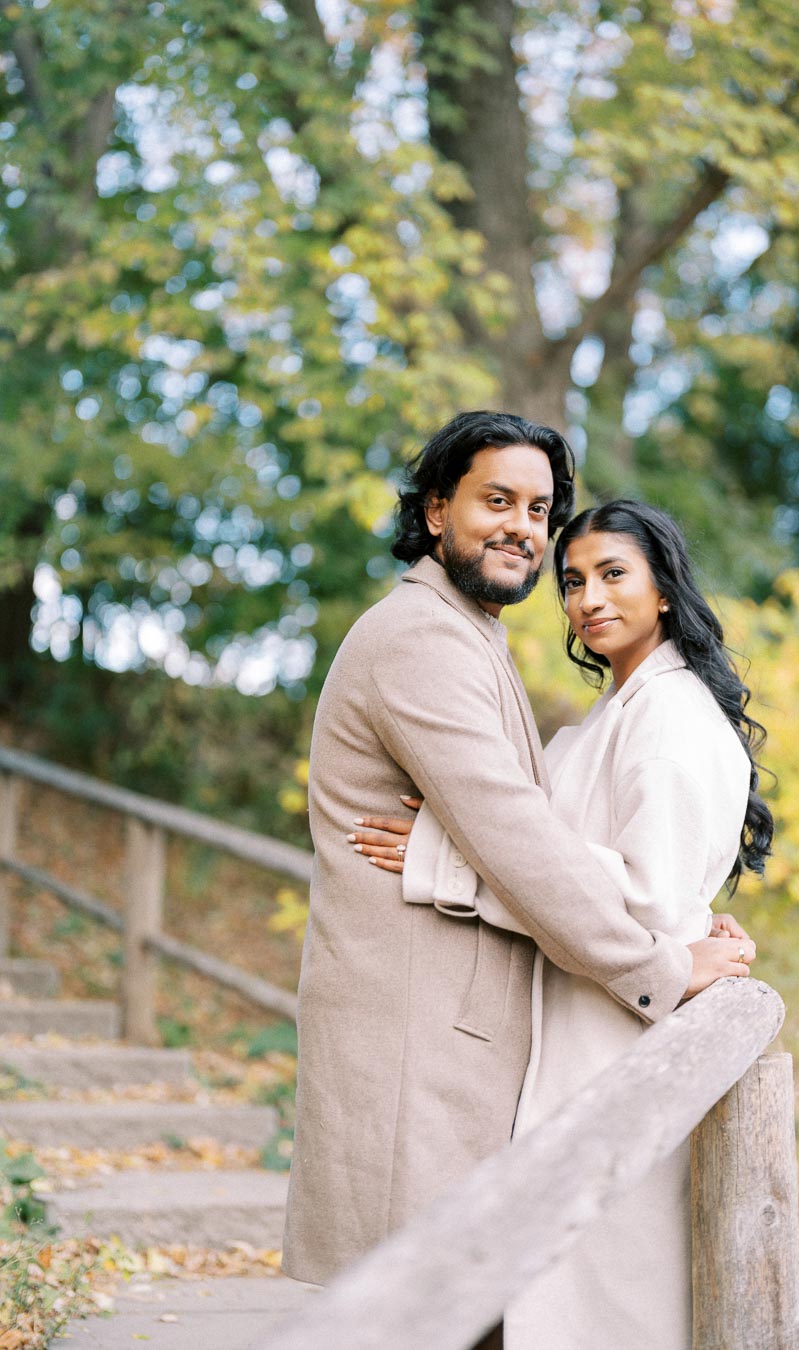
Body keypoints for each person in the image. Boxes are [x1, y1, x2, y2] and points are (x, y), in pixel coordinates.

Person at [281, 413, 752, 1309]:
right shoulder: (423, 640)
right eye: (496, 500)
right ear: (434, 512)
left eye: (539, 510)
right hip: (418, 1032)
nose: (522, 528)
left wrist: (687, 922)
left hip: (469, 1035)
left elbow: (545, 844)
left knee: (462, 1300)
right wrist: (664, 964)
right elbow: (521, 846)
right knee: (418, 1304)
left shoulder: (477, 637)